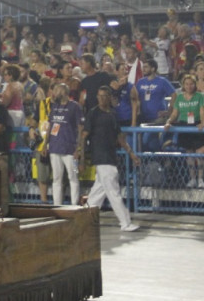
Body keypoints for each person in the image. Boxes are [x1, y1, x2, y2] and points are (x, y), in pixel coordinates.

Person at [80, 86, 141, 232]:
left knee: (97, 193)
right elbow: (84, 136)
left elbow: (120, 137)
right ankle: (125, 223)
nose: (101, 98)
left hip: (110, 156)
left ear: (109, 97)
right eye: (99, 96)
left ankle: (82, 219)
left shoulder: (113, 114)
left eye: (104, 96)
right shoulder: (93, 113)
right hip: (101, 157)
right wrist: (81, 159)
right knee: (114, 192)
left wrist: (131, 153)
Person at [45, 82, 82, 207]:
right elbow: (50, 126)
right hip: (55, 147)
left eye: (57, 90)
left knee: (73, 177)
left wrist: (79, 148)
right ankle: (57, 205)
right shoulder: (54, 106)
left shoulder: (75, 106)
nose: (54, 93)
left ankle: (74, 204)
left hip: (70, 149)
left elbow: (80, 128)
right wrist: (46, 144)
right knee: (56, 178)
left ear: (65, 92)